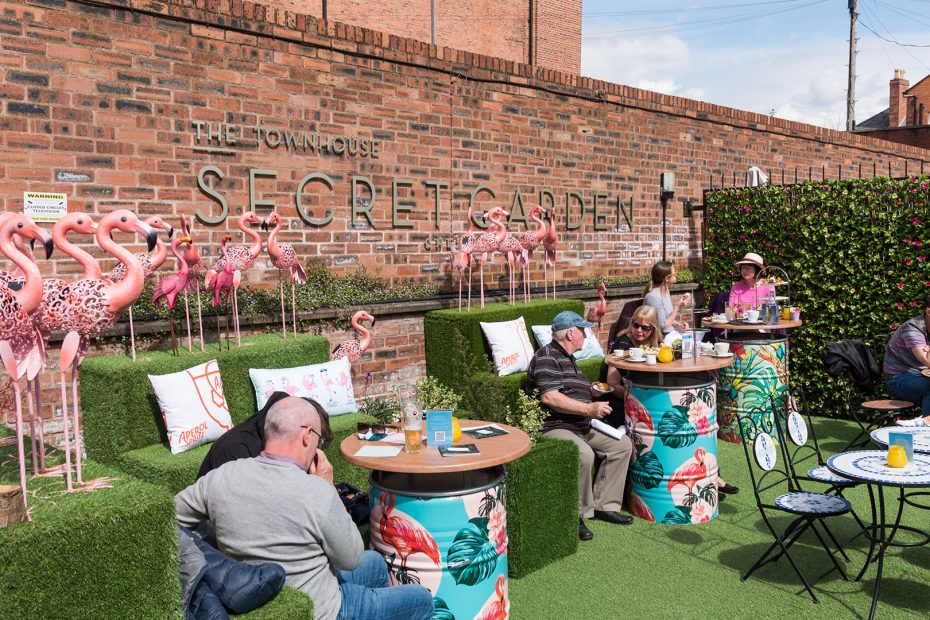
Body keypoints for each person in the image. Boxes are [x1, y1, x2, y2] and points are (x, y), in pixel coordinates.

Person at [176, 396, 435, 620]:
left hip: (258, 592)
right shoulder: (316, 491)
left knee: (376, 563)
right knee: (421, 599)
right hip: (325, 608)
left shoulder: (221, 476)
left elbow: (170, 515)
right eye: (319, 439)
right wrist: (328, 489)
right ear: (307, 436)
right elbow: (351, 558)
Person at [525, 310, 635, 542]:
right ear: (570, 333)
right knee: (583, 453)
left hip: (581, 424)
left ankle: (605, 505)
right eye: (582, 331)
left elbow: (568, 390)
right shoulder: (547, 357)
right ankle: (576, 515)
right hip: (555, 425)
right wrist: (588, 408)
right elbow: (550, 397)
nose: (585, 336)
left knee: (622, 445)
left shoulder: (568, 358)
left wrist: (591, 392)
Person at [887, 293, 930, 426]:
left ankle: (925, 423)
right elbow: (928, 361)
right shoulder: (912, 328)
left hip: (923, 375)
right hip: (898, 378)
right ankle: (925, 431)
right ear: (929, 311)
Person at [604, 305, 662, 401]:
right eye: (635, 325)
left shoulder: (655, 343)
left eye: (645, 327)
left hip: (651, 394)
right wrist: (637, 400)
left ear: (653, 329)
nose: (639, 330)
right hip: (626, 398)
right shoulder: (622, 344)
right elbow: (612, 384)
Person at [643, 261, 691, 335]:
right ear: (667, 278)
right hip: (661, 338)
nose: (676, 274)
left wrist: (679, 326)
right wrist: (677, 308)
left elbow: (667, 318)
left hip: (670, 334)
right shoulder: (654, 297)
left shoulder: (665, 291)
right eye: (674, 273)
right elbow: (662, 327)